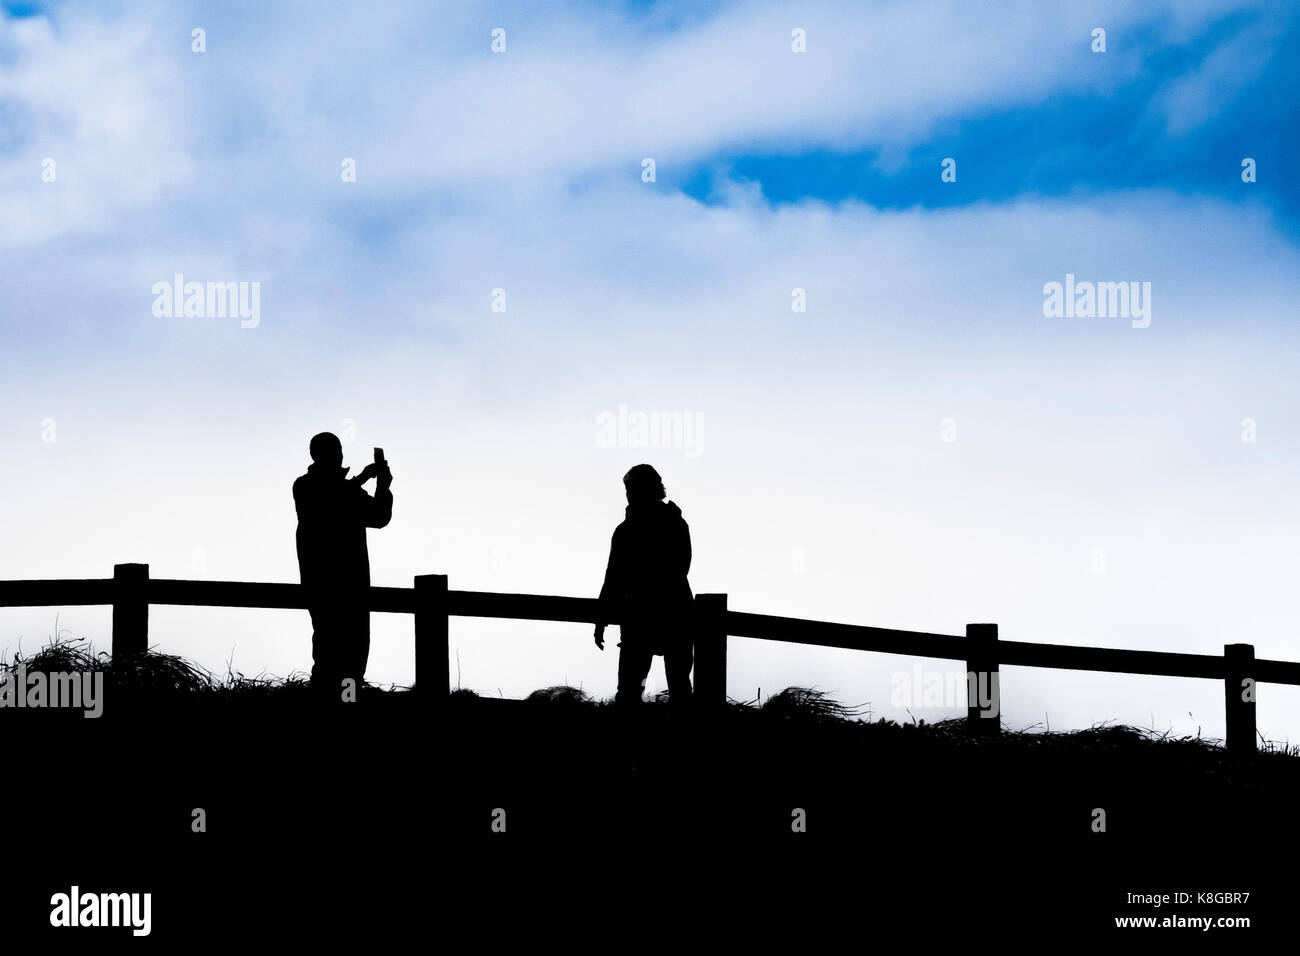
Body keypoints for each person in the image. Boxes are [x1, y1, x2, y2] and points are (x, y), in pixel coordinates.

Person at [292, 432, 393, 701]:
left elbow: (378, 516)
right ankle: (342, 703)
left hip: (329, 584)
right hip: (342, 585)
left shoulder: (315, 487)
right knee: (341, 652)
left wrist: (380, 486)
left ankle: (335, 701)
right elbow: (335, 502)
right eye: (335, 450)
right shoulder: (308, 487)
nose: (338, 455)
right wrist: (372, 482)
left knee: (340, 651)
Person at [594, 464, 694, 708]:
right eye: (628, 489)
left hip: (645, 616)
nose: (628, 494)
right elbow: (614, 577)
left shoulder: (627, 531)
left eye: (632, 488)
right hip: (670, 613)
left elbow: (614, 577)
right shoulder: (674, 525)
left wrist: (602, 617)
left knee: (637, 689)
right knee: (648, 688)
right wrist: (602, 617)